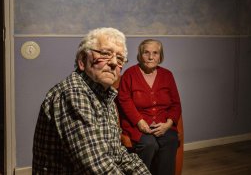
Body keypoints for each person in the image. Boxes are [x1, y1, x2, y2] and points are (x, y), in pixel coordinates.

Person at [32, 27, 151, 174]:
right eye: (105, 54)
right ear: (82, 60)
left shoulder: (107, 96)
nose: (114, 62)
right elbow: (96, 166)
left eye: (120, 58)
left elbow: (117, 153)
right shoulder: (74, 93)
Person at [117, 39, 182, 175]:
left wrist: (168, 124)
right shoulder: (129, 74)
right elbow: (124, 100)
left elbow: (176, 104)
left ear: (160, 56)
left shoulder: (167, 75)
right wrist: (139, 122)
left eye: (155, 53)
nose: (151, 57)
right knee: (149, 143)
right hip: (138, 124)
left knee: (171, 139)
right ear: (140, 55)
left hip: (163, 123)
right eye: (146, 53)